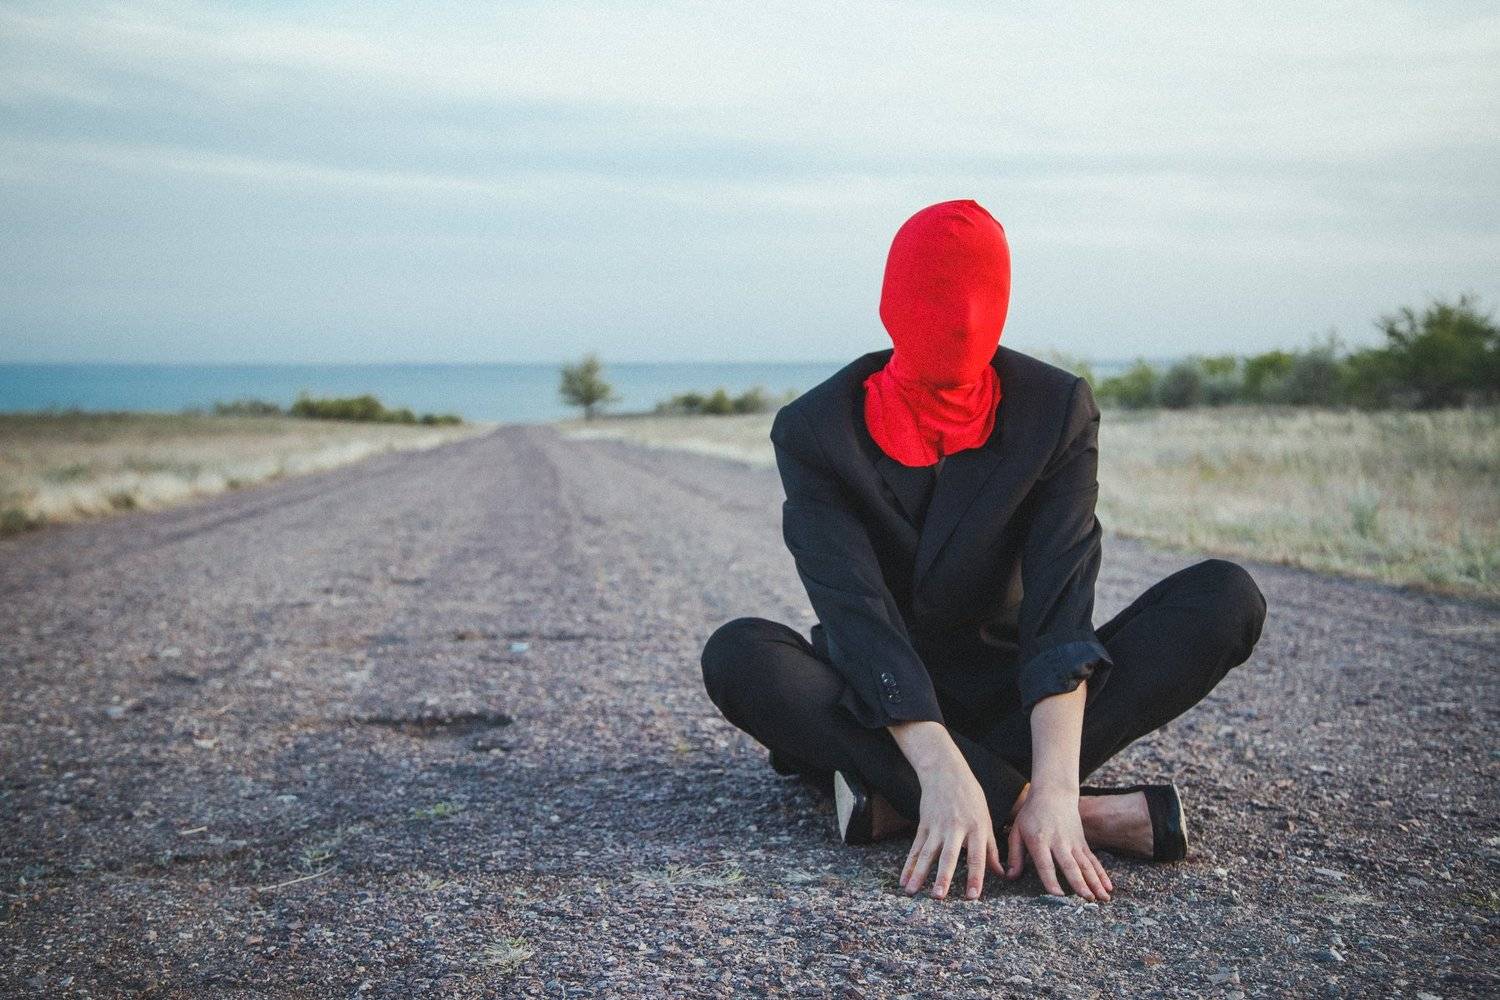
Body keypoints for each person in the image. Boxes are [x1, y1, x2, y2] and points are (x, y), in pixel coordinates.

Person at [700, 199, 1268, 903]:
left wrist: (1056, 782)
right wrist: (947, 771)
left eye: (982, 298)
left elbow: (1060, 617)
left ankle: (903, 804)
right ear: (891, 302)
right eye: (938, 297)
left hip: (1020, 694)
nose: (964, 319)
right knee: (739, 654)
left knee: (1224, 597)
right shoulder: (815, 428)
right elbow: (858, 618)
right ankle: (1055, 812)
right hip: (882, 694)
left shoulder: (1055, 408)